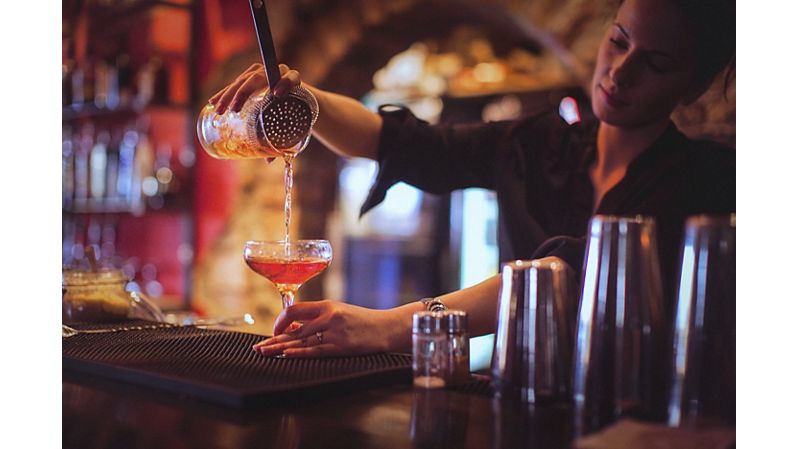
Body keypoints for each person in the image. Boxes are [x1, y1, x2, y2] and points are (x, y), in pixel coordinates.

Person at [208, 0, 735, 358]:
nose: (621, 71)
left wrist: (387, 326)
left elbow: (567, 276)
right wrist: (306, 99)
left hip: (632, 421)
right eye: (618, 42)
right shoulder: (539, 143)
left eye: (657, 64)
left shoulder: (707, 184)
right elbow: (398, 143)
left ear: (694, 87)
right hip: (516, 397)